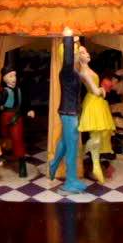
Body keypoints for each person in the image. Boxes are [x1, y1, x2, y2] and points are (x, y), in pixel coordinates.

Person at [48, 27, 89, 194]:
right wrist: (68, 38)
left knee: (66, 141)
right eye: (75, 52)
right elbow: (67, 59)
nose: (77, 54)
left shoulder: (73, 72)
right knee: (72, 147)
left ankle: (53, 163)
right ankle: (70, 181)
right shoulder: (66, 71)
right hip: (68, 113)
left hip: (71, 111)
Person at [77, 46, 116, 184]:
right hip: (93, 102)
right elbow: (95, 90)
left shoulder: (88, 69)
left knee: (99, 136)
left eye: (86, 51)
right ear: (78, 57)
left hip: (98, 103)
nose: (86, 54)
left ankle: (94, 164)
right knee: (96, 137)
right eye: (82, 52)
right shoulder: (83, 72)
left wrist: (102, 90)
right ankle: (89, 161)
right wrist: (102, 90)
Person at [0, 65, 35, 178]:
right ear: (4, 78)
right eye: (10, 76)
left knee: (17, 139)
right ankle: (0, 158)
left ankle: (22, 164)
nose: (14, 78)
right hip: (5, 117)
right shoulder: (4, 92)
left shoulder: (20, 90)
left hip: (17, 118)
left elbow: (24, 103)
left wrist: (28, 110)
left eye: (14, 76)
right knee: (5, 138)